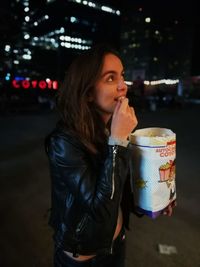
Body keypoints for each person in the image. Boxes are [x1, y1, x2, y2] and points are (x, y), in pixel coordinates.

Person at [45, 43, 175, 267]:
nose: (123, 86)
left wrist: (152, 200)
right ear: (87, 93)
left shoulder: (110, 131)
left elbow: (119, 193)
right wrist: (118, 141)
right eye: (110, 78)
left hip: (116, 246)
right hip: (84, 259)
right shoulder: (64, 142)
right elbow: (101, 211)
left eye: (122, 76)